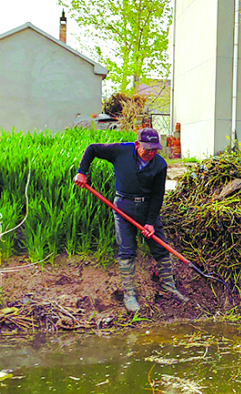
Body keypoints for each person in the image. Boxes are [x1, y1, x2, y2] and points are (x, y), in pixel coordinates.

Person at [74, 127, 186, 312]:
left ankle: (169, 287)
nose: (151, 153)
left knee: (160, 247)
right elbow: (92, 148)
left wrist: (150, 222)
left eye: (154, 149)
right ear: (136, 144)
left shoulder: (159, 164)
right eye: (147, 149)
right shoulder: (120, 151)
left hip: (147, 207)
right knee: (127, 250)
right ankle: (129, 295)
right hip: (123, 206)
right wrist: (82, 172)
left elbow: (158, 195)